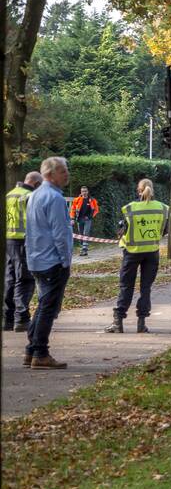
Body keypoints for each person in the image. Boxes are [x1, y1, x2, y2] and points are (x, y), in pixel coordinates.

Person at [24, 157, 73, 369]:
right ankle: (41, 353)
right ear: (50, 175)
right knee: (48, 308)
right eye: (62, 171)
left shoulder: (34, 195)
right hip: (52, 260)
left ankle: (31, 350)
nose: (66, 174)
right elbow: (60, 233)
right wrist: (65, 260)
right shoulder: (54, 199)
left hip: (36, 258)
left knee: (43, 305)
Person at [104, 179, 169, 334]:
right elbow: (164, 231)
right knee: (146, 288)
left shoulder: (130, 209)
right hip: (152, 252)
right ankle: (141, 323)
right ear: (152, 190)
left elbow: (121, 231)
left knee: (126, 286)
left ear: (138, 190)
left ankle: (118, 322)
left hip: (132, 253)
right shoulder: (163, 208)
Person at [5, 171, 44, 331]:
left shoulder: (9, 194)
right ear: (36, 183)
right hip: (24, 241)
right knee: (25, 280)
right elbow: (38, 220)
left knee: (10, 279)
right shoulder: (29, 196)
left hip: (8, 240)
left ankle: (7, 319)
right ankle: (21, 319)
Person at [69, 186, 100, 256]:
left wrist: (90, 217)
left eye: (85, 191)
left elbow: (96, 210)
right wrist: (72, 219)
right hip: (79, 219)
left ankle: (84, 250)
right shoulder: (76, 200)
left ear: (88, 192)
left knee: (86, 233)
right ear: (81, 192)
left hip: (88, 220)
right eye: (83, 191)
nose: (84, 192)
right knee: (80, 235)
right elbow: (72, 210)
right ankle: (82, 248)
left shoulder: (92, 200)